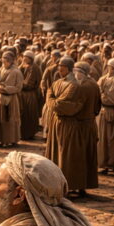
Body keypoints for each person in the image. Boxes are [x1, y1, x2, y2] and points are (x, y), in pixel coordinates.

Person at [45, 58, 99, 197]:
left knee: (69, 157)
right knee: (81, 157)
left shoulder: (77, 86)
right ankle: (80, 186)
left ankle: (70, 186)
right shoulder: (89, 84)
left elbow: (62, 106)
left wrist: (51, 100)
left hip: (72, 125)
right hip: (83, 124)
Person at [0, 52, 23, 147]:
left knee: (11, 119)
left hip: (11, 99)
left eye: (6, 61)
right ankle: (0, 139)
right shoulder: (0, 70)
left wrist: (7, 89)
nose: (4, 63)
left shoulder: (16, 72)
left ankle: (11, 140)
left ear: (10, 61)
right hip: (0, 98)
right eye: (3, 61)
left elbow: (18, 87)